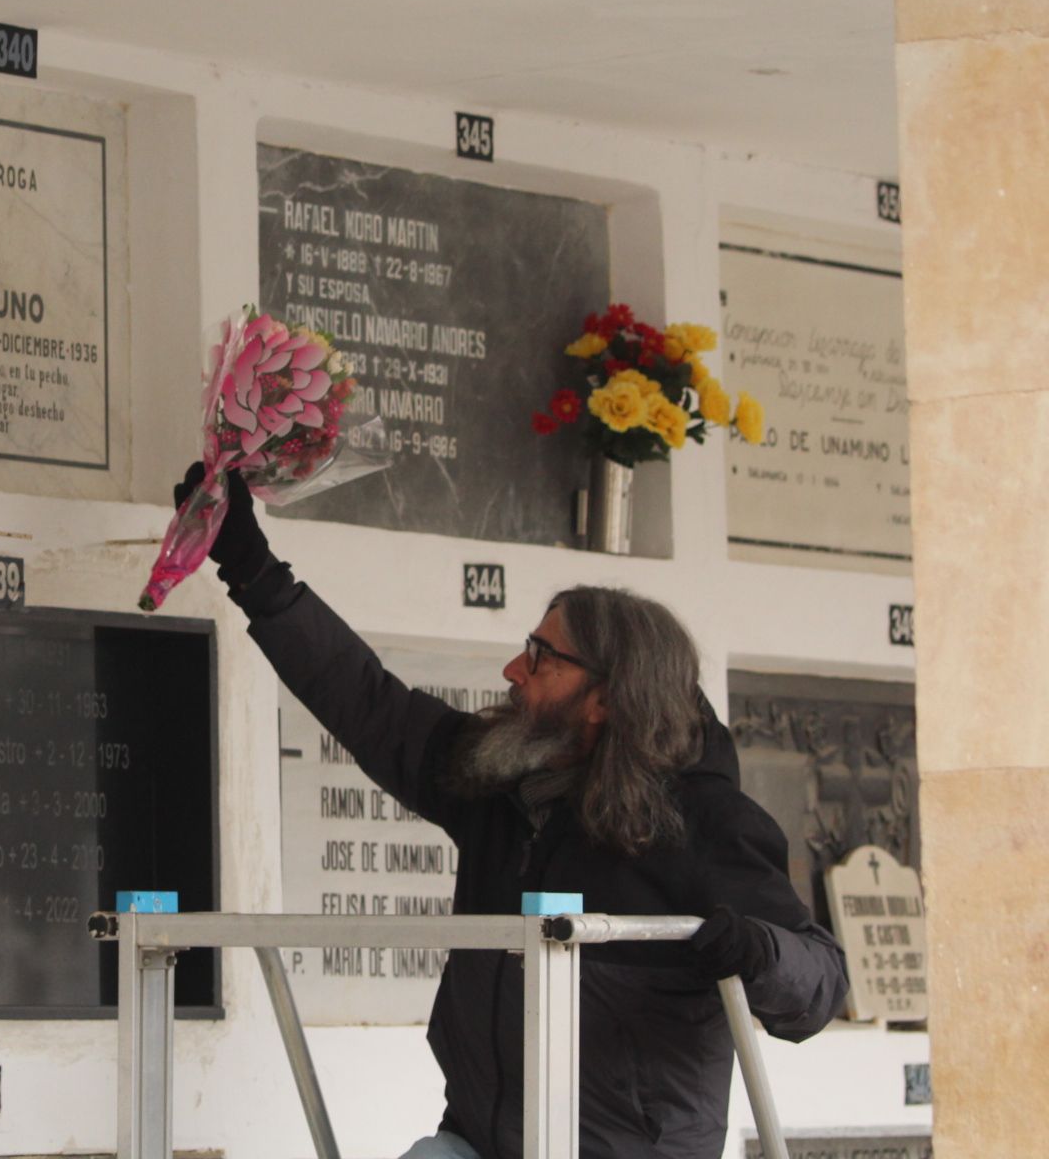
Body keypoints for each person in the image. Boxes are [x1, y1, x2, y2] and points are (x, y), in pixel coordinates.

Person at [177, 466, 848, 1159]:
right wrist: (253, 571)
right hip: (476, 1141)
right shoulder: (500, 780)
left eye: (542, 656)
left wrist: (762, 952)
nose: (512, 672)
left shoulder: (706, 822)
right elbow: (370, 704)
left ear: (611, 697)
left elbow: (820, 982)